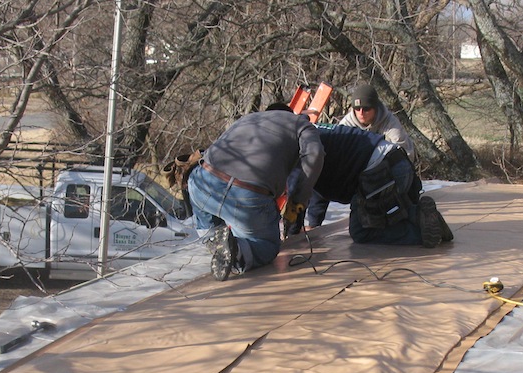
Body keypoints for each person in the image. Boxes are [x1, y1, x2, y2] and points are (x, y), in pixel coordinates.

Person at [187, 106, 325, 280]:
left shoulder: (248, 119)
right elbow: (315, 154)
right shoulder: (301, 125)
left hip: (201, 182)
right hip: (245, 196)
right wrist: (297, 200)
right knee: (267, 246)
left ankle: (213, 240)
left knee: (205, 214)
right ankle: (237, 250)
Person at [297, 124, 449, 248]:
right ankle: (418, 215)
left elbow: (298, 190)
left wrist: (294, 231)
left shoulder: (300, 145)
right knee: (382, 215)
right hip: (397, 163)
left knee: (362, 231)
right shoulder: (310, 133)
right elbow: (318, 183)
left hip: (381, 172)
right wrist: (314, 224)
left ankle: (421, 231)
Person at [338, 82, 416, 163]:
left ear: (375, 108)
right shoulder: (345, 126)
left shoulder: (390, 123)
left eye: (366, 109)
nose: (361, 113)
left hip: (385, 166)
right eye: (357, 108)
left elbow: (406, 155)